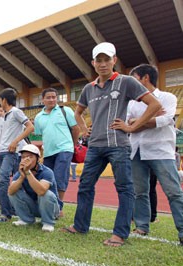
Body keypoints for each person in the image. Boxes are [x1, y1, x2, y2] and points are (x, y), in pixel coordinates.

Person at [61, 42, 162, 247]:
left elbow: (155, 105)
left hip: (118, 145)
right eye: (99, 60)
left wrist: (132, 127)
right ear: (93, 63)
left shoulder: (125, 82)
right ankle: (80, 226)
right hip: (95, 146)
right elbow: (78, 112)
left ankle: (120, 234)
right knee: (85, 186)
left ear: (114, 60)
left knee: (124, 189)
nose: (103, 64)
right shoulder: (89, 88)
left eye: (107, 59)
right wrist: (83, 128)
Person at [116, 64, 183, 246]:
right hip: (137, 150)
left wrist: (135, 123)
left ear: (145, 78)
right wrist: (146, 119)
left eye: (135, 79)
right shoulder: (132, 102)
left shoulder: (167, 97)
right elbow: (126, 122)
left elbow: (165, 120)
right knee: (140, 192)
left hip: (161, 150)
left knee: (174, 191)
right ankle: (142, 226)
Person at [33, 88, 80, 215]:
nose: (52, 99)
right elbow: (38, 137)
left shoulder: (65, 111)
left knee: (60, 177)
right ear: (43, 100)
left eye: (54, 97)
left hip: (65, 149)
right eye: (48, 97)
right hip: (48, 152)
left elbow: (75, 129)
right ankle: (49, 205)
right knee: (48, 179)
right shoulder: (38, 117)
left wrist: (72, 145)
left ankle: (59, 207)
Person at [0, 88, 35, 222]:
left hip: (10, 152)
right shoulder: (6, 115)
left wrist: (15, 142)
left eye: (0, 100)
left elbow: (30, 127)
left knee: (2, 180)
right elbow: (5, 136)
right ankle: (11, 209)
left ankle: (6, 213)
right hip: (3, 152)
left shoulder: (16, 112)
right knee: (9, 181)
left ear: (4, 100)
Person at [8, 144, 61, 232]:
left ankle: (48, 222)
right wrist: (22, 177)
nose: (26, 159)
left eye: (30, 157)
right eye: (23, 157)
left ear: (38, 159)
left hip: (51, 208)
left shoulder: (47, 172)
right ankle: (26, 219)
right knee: (14, 191)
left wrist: (28, 172)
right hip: (36, 206)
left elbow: (41, 191)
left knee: (46, 194)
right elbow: (10, 191)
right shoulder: (20, 172)